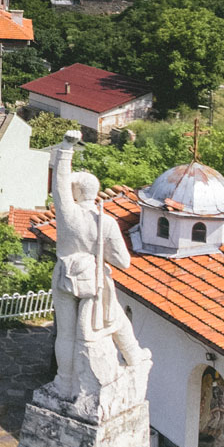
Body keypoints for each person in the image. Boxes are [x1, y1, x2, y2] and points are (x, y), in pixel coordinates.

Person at [48, 140, 143, 394]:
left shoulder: (68, 215)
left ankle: (64, 380)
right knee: (115, 318)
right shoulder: (106, 222)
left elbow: (59, 186)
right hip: (92, 279)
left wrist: (66, 150)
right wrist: (100, 253)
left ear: (76, 193)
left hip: (64, 277)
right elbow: (123, 262)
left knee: (66, 334)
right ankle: (134, 356)